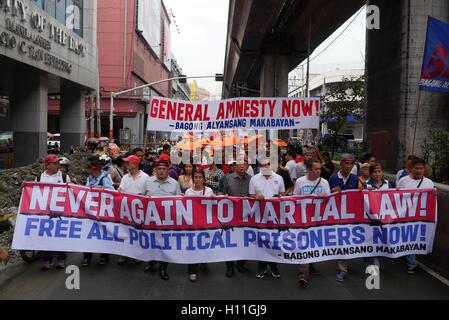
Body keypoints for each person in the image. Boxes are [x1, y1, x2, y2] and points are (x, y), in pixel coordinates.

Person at [294, 158, 331, 286]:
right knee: (304, 244)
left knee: (314, 243)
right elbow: (295, 199)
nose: (319, 171)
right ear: (309, 169)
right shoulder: (300, 181)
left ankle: (311, 264)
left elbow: (329, 200)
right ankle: (303, 273)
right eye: (316, 169)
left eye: (320, 168)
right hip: (304, 218)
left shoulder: (324, 182)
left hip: (318, 218)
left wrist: (324, 198)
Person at [144, 157, 182, 281]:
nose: (161, 171)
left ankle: (163, 268)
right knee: (153, 243)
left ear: (168, 170)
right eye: (159, 168)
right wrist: (145, 197)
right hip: (152, 220)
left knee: (165, 245)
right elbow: (140, 198)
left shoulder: (174, 183)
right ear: (155, 170)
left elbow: (179, 202)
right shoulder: (148, 181)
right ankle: (152, 261)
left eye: (164, 169)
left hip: (167, 221)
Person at [397, 157, 437, 275]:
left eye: (421, 168)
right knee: (409, 237)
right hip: (405, 216)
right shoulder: (403, 181)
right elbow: (396, 198)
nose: (418, 171)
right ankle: (411, 263)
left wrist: (434, 193)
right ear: (411, 168)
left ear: (424, 169)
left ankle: (410, 259)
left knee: (414, 237)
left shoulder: (429, 183)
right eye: (416, 168)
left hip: (421, 217)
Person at [249, 159, 286, 279]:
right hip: (260, 215)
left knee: (274, 241)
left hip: (275, 215)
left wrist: (278, 197)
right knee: (262, 240)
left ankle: (273, 265)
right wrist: (256, 196)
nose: (265, 167)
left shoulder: (279, 178)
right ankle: (262, 266)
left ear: (271, 165)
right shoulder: (254, 179)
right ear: (259, 166)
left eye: (267, 165)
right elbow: (251, 195)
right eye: (262, 165)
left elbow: (283, 194)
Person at [36, 155, 71, 270]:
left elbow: (72, 192)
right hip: (45, 212)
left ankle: (61, 258)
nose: (58, 165)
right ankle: (47, 259)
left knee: (60, 235)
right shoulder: (40, 177)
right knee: (45, 235)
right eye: (55, 163)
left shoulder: (64, 177)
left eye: (58, 163)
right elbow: (34, 192)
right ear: (47, 165)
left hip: (61, 212)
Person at [117, 155, 152, 265]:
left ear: (135, 164)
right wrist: (118, 191)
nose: (126, 164)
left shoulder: (146, 177)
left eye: (129, 162)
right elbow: (120, 189)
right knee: (125, 231)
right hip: (126, 210)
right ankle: (125, 254)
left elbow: (149, 192)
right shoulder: (125, 177)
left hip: (140, 210)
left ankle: (137, 254)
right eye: (126, 162)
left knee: (138, 233)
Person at [329, 154, 359, 282]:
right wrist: (332, 191)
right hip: (337, 215)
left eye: (351, 163)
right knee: (341, 241)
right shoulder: (333, 177)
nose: (348, 166)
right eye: (346, 163)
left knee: (348, 241)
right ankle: (341, 269)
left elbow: (360, 195)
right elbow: (327, 194)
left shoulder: (355, 178)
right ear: (341, 164)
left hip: (351, 215)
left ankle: (344, 263)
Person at [82, 156, 115, 267]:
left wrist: (100, 188)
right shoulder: (89, 178)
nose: (88, 170)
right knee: (88, 234)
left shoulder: (105, 178)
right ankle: (87, 256)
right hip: (91, 210)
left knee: (102, 233)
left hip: (102, 210)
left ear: (95, 169)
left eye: (90, 168)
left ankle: (104, 255)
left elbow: (112, 191)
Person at [221, 159, 252, 278]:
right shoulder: (227, 178)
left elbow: (254, 195)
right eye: (239, 164)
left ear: (248, 166)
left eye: (244, 164)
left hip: (246, 216)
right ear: (235, 166)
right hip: (230, 216)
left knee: (245, 241)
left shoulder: (251, 179)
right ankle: (230, 266)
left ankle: (241, 264)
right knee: (230, 241)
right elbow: (223, 194)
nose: (242, 166)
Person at [184, 169, 215, 282]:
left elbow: (214, 206)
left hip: (205, 223)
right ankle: (192, 271)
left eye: (200, 177)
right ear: (193, 178)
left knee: (204, 244)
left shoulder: (209, 191)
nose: (198, 179)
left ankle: (203, 261)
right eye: (196, 177)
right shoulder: (188, 192)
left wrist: (215, 199)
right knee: (193, 246)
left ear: (204, 179)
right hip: (192, 223)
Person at [362, 163, 390, 270]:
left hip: (384, 219)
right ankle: (370, 262)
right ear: (370, 173)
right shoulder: (366, 185)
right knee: (370, 241)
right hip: (371, 219)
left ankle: (375, 259)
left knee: (380, 241)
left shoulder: (388, 184)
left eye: (379, 171)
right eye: (374, 172)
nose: (377, 174)